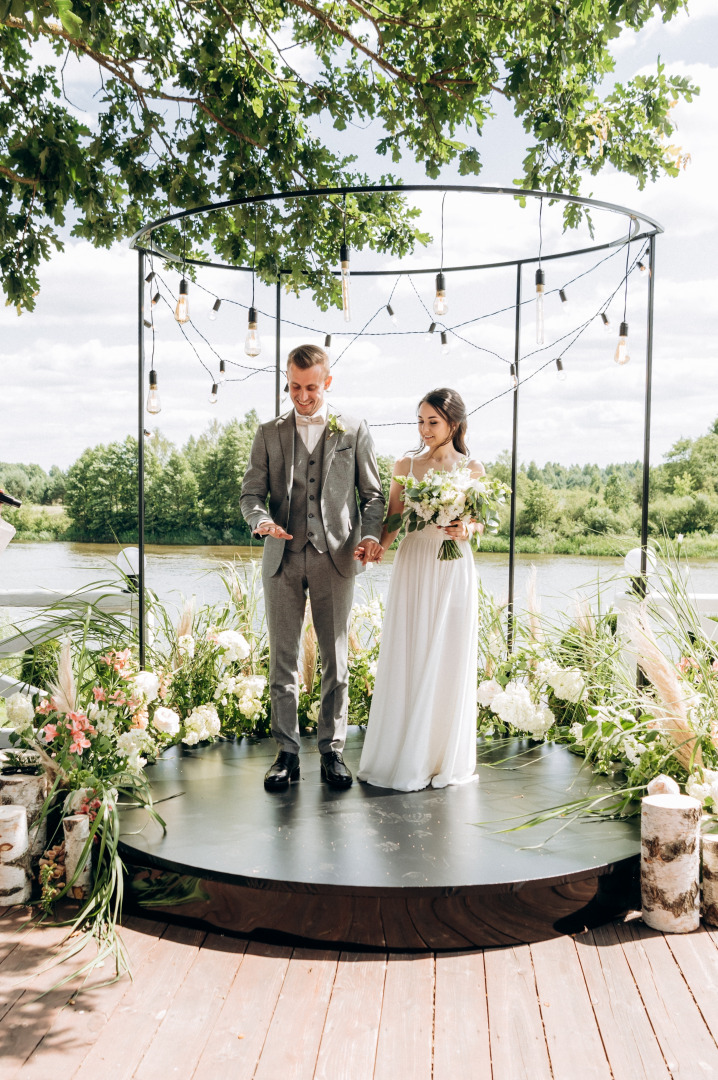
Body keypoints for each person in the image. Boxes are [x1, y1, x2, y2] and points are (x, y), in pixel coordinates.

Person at [240, 344, 385, 791]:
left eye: (310, 387)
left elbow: (374, 496)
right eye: (293, 387)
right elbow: (250, 494)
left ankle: (332, 752)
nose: (301, 397)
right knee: (282, 659)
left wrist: (370, 536)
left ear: (327, 382)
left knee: (335, 659)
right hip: (282, 558)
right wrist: (261, 521)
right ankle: (286, 753)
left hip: (336, 557)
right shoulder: (268, 433)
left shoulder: (354, 429)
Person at [357, 388, 484, 792]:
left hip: (453, 566)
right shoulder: (406, 464)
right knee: (410, 651)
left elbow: (479, 522)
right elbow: (393, 520)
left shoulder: (473, 468)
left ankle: (439, 758)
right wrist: (377, 546)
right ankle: (402, 754)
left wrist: (467, 528)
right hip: (414, 563)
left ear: (454, 424)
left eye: (433, 421)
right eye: (421, 420)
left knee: (447, 654)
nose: (424, 429)